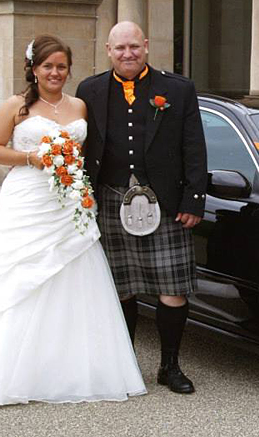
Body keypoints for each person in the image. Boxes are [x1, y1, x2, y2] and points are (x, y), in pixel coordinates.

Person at [0, 35, 147, 406]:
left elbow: (86, 154)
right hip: (27, 200)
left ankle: (64, 366)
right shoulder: (16, 106)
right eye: (48, 66)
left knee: (72, 275)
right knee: (18, 279)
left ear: (69, 70)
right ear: (34, 69)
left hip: (67, 206)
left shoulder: (80, 107)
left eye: (61, 67)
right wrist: (32, 158)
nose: (55, 73)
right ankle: (7, 368)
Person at [76, 21, 207, 395]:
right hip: (110, 198)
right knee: (121, 290)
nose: (127, 54)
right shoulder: (90, 89)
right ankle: (126, 363)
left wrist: (193, 199)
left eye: (134, 46)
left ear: (146, 46)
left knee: (172, 290)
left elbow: (194, 147)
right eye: (120, 48)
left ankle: (170, 366)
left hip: (165, 202)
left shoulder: (178, 89)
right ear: (108, 50)